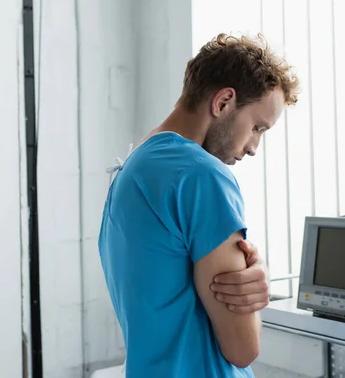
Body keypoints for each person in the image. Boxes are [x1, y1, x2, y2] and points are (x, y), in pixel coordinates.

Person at [98, 33, 300, 377]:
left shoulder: (131, 169)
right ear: (223, 102)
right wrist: (256, 291)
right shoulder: (200, 176)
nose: (253, 147)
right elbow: (243, 349)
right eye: (257, 128)